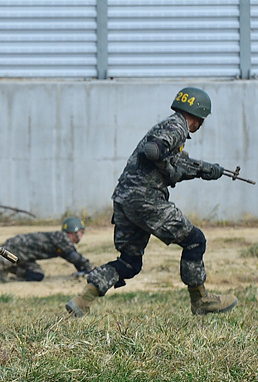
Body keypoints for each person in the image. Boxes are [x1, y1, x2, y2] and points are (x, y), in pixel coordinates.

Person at [64, 87, 238, 318]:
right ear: (198, 115)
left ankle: (82, 301)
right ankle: (200, 300)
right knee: (195, 241)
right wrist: (167, 167)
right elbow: (153, 150)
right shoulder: (177, 126)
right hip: (146, 200)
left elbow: (174, 162)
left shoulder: (167, 126)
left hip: (125, 200)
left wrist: (206, 170)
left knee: (129, 263)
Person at [0, 217, 92, 281]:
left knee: (37, 275)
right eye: (81, 232)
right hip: (16, 248)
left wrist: (84, 268)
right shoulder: (62, 238)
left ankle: (9, 269)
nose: (81, 235)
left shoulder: (61, 240)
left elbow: (72, 257)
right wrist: (88, 269)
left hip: (25, 256)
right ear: (74, 231)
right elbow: (74, 257)